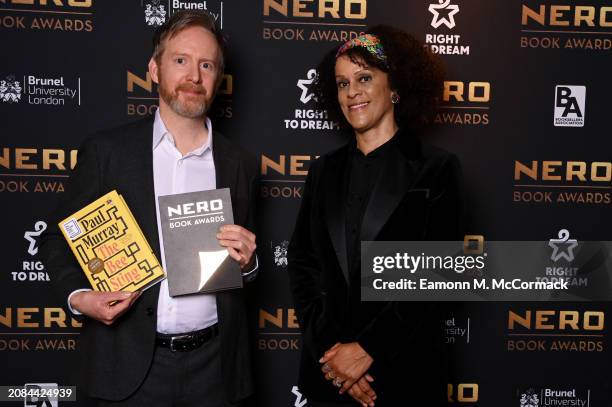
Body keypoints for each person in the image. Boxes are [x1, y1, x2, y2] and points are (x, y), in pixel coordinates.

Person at [40, 10, 258, 407]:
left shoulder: (239, 162)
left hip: (216, 369)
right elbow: (58, 238)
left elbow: (244, 262)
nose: (194, 76)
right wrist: (80, 297)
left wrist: (249, 263)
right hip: (126, 365)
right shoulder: (108, 152)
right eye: (181, 61)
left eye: (206, 64)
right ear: (155, 70)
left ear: (217, 77)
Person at [288, 26, 464, 407]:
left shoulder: (436, 168)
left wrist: (367, 349)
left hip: (404, 373)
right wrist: (335, 359)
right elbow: (302, 265)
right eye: (342, 83)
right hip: (328, 374)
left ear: (395, 85)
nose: (352, 92)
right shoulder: (323, 171)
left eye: (365, 78)